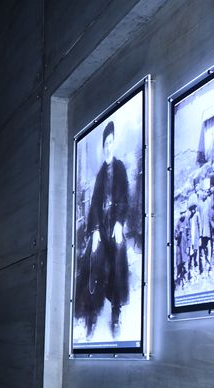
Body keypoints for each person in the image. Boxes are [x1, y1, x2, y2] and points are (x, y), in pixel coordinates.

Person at [82, 120, 129, 336]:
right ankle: (92, 312)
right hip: (101, 228)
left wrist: (119, 223)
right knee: (93, 258)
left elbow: (125, 198)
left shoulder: (120, 168)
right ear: (103, 147)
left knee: (119, 254)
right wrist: (94, 231)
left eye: (111, 143)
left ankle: (116, 311)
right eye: (105, 144)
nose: (108, 147)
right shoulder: (100, 174)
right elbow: (94, 204)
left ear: (114, 143)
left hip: (115, 225)